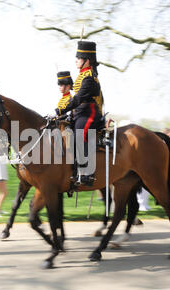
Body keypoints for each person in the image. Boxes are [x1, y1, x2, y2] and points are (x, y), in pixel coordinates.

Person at [55, 40, 104, 186]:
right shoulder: (82, 75)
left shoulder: (89, 77)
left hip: (89, 112)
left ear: (87, 61)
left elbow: (78, 98)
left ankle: (87, 173)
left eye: (79, 59)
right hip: (81, 112)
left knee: (79, 133)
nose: (76, 61)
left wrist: (62, 109)